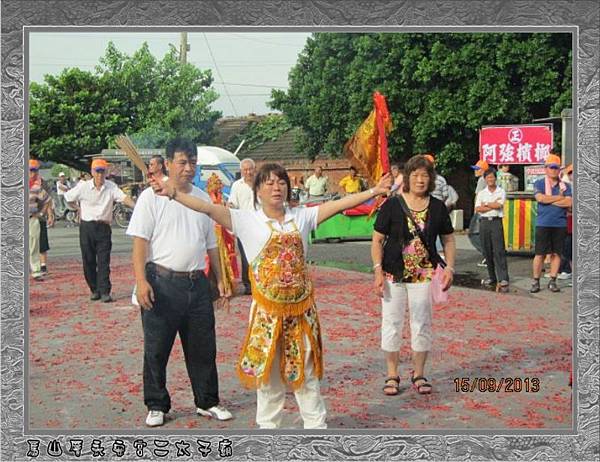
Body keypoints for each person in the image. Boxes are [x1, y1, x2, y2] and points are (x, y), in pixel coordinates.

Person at [151, 163, 392, 429]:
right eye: (268, 182)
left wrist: (374, 190)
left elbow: (340, 204)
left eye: (281, 182)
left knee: (307, 375)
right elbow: (206, 208)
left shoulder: (301, 217)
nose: (276, 187)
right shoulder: (246, 220)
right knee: (268, 380)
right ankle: (268, 434)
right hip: (266, 315)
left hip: (302, 313)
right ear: (257, 190)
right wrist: (173, 193)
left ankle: (317, 429)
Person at [127, 138, 233, 427]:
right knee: (157, 348)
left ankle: (207, 401)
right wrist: (141, 281)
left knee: (203, 348)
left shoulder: (202, 198)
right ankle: (156, 403)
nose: (188, 168)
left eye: (193, 162)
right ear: (168, 163)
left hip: (196, 283)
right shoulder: (151, 197)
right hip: (162, 282)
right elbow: (139, 241)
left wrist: (221, 278)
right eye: (182, 162)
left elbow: (212, 244)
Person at [371, 154, 455, 397]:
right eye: (416, 175)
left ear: (431, 179)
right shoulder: (392, 205)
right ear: (407, 178)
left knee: (421, 324)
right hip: (392, 274)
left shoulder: (437, 207)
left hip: (424, 275)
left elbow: (448, 239)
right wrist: (377, 270)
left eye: (425, 175)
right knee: (392, 324)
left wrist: (449, 267)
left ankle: (419, 372)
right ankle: (392, 373)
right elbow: (377, 240)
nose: (420, 180)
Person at [64, 158, 135, 302]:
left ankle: (105, 291)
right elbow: (68, 197)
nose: (100, 175)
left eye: (102, 172)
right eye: (97, 172)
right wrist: (78, 208)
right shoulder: (83, 187)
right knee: (88, 260)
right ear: (92, 172)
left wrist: (137, 207)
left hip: (103, 227)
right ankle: (94, 289)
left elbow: (123, 198)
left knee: (104, 261)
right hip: (87, 227)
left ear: (106, 173)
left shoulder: (111, 187)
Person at [530, 153, 572, 293]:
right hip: (543, 223)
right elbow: (540, 198)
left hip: (560, 224)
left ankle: (553, 280)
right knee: (540, 254)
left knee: (557, 254)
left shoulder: (565, 185)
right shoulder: (539, 183)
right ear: (546, 168)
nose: (554, 170)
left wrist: (551, 199)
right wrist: (559, 198)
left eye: (556, 167)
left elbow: (569, 202)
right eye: (551, 167)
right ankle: (536, 281)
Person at [474, 168, 509, 292]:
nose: (490, 179)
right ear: (485, 179)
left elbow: (499, 205)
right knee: (487, 250)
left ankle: (503, 278)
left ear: (495, 178)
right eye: (488, 177)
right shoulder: (482, 193)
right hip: (484, 223)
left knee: (499, 250)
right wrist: (491, 204)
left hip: (496, 222)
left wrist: (486, 204)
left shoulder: (501, 191)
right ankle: (491, 277)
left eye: (492, 177)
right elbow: (478, 208)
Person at [227, 158, 256, 295]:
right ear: (241, 171)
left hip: (260, 223)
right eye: (245, 170)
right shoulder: (237, 186)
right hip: (244, 224)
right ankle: (248, 284)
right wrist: (229, 206)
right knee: (245, 256)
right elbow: (233, 203)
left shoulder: (261, 183)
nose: (248, 172)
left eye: (250, 169)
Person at [29, 159, 54, 281]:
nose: (33, 173)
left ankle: (36, 271)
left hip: (33, 218)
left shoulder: (39, 185)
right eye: (31, 170)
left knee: (35, 245)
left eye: (35, 170)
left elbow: (47, 199)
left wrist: (43, 213)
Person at [470, 159, 490, 267]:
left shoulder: (482, 180)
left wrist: (475, 210)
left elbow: (478, 196)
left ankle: (487, 255)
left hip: (479, 211)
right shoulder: (488, 179)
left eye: (477, 169)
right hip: (486, 211)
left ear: (483, 170)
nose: (475, 171)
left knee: (473, 234)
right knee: (482, 234)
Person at [556, 164, 573, 285]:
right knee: (567, 248)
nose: (572, 175)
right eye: (570, 173)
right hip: (567, 223)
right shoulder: (566, 186)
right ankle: (566, 270)